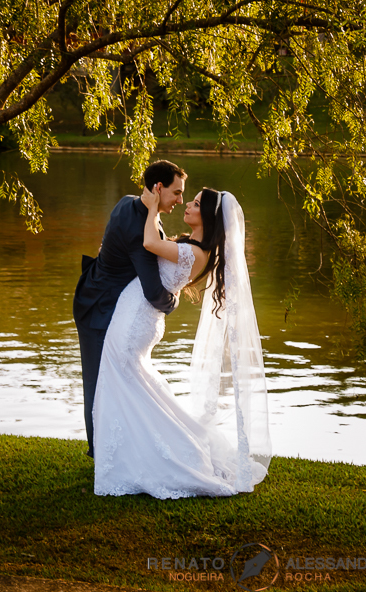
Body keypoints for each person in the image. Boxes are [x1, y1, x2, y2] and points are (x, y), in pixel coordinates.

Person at [92, 185, 272, 498]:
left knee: (125, 383)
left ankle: (160, 456)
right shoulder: (192, 248)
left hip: (137, 320)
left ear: (208, 217)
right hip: (138, 317)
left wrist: (150, 207)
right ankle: (129, 456)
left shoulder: (194, 253)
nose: (187, 204)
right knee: (134, 387)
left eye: (196, 203)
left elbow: (149, 242)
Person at [72, 160, 186, 457]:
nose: (180, 200)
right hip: (99, 307)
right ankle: (100, 453)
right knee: (97, 384)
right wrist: (174, 301)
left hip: (100, 294)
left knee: (115, 379)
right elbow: (152, 292)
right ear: (158, 188)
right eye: (176, 192)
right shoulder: (139, 229)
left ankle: (122, 445)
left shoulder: (128, 202)